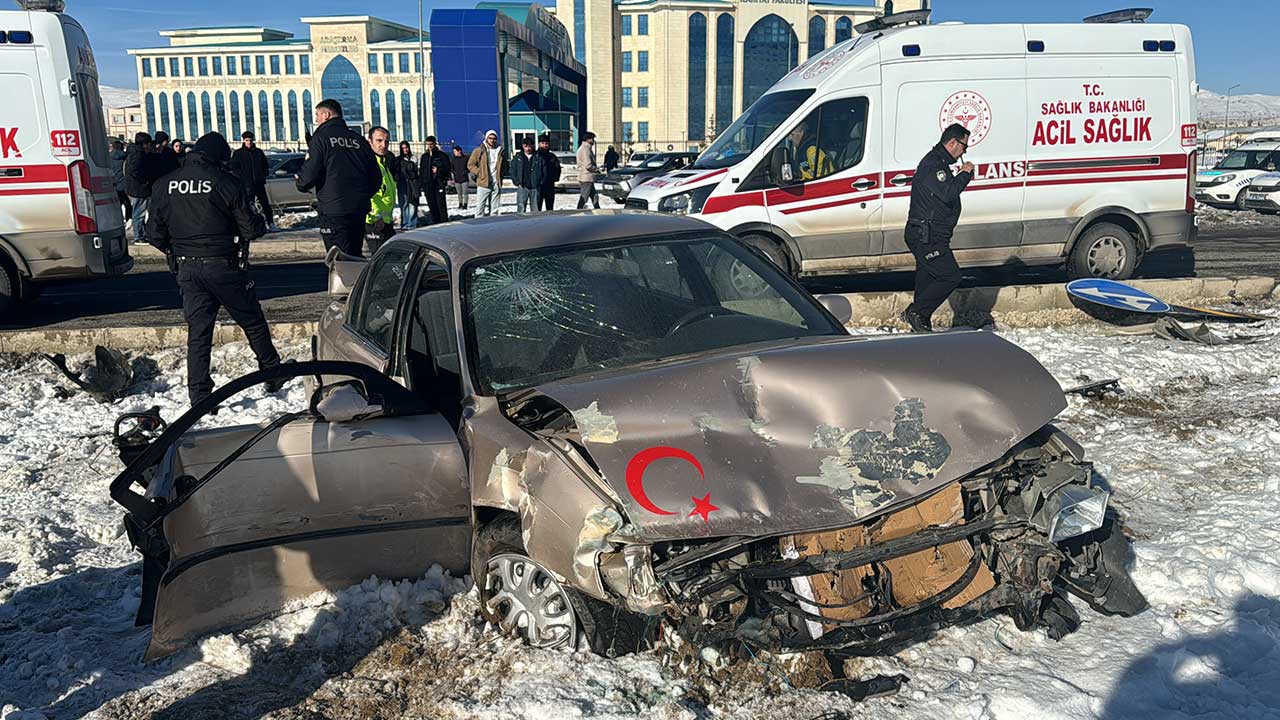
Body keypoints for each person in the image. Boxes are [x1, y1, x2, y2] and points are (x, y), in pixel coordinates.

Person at [145, 132, 281, 407]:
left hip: (187, 267)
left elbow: (153, 233)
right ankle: (272, 372)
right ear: (219, 157)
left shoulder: (164, 185)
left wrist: (175, 250)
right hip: (224, 264)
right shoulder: (225, 182)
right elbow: (251, 228)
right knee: (252, 321)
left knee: (199, 332)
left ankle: (200, 394)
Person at [900, 123, 975, 333]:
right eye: (964, 146)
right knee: (950, 276)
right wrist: (965, 174)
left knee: (928, 278)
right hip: (926, 235)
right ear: (952, 142)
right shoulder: (934, 165)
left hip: (931, 234)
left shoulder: (938, 162)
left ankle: (921, 322)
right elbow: (948, 193)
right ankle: (916, 312)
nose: (964, 151)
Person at [295, 98, 382, 256]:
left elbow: (309, 175)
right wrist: (361, 195)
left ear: (326, 115)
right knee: (354, 253)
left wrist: (300, 181)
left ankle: (346, 281)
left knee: (338, 257)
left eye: (317, 115)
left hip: (333, 209)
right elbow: (376, 177)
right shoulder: (358, 140)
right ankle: (356, 279)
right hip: (358, 208)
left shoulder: (320, 139)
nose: (316, 120)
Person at [230, 131, 273, 230]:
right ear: (243, 141)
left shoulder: (258, 152)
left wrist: (263, 175)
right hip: (246, 185)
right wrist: (241, 178)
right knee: (248, 206)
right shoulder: (238, 154)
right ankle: (250, 226)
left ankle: (271, 223)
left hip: (259, 183)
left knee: (265, 204)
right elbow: (233, 167)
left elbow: (265, 165)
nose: (249, 142)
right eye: (247, 140)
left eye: (250, 140)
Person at [365, 126, 398, 255]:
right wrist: (377, 216)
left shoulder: (383, 163)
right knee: (383, 262)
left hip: (385, 221)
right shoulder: (368, 164)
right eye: (379, 141)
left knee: (390, 258)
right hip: (375, 221)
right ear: (370, 142)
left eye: (386, 141)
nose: (383, 145)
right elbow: (366, 193)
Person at [124, 132, 155, 245]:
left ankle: (141, 235)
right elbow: (135, 171)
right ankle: (139, 236)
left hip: (137, 187)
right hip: (139, 188)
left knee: (139, 212)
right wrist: (145, 180)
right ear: (145, 144)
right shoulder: (138, 154)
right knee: (139, 213)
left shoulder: (134, 152)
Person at [467, 130, 507, 217]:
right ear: (486, 138)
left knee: (495, 209)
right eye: (490, 138)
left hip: (496, 182)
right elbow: (470, 165)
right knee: (480, 207)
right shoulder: (479, 150)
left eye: (494, 138)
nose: (492, 140)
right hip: (483, 182)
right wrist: (480, 173)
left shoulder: (500, 150)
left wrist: (501, 176)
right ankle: (479, 226)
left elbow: (504, 166)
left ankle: (493, 225)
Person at [419, 136, 451, 224]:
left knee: (441, 205)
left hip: (438, 184)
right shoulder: (424, 157)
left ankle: (444, 222)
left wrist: (439, 170)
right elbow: (422, 171)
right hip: (428, 185)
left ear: (435, 144)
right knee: (432, 206)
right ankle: (435, 222)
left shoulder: (442, 156)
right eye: (428, 144)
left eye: (431, 144)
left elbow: (448, 168)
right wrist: (422, 184)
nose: (429, 146)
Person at [509, 137, 545, 213]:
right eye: (526, 146)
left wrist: (540, 182)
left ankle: (535, 224)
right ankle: (520, 224)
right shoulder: (518, 157)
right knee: (521, 209)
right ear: (522, 146)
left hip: (535, 187)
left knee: (535, 210)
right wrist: (516, 181)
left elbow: (544, 171)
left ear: (532, 146)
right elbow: (512, 170)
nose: (528, 149)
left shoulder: (538, 157)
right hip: (522, 186)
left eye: (529, 146)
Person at [395, 141, 421, 229]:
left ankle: (412, 224)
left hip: (412, 184)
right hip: (402, 184)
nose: (405, 150)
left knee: (412, 204)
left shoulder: (413, 158)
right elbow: (398, 172)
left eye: (406, 148)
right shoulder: (398, 160)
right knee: (404, 204)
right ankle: (405, 224)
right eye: (403, 148)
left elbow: (414, 172)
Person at [535, 134, 561, 211]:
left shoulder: (552, 156)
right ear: (539, 144)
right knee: (537, 208)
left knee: (549, 208)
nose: (544, 145)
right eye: (542, 143)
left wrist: (555, 178)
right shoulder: (535, 156)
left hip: (549, 185)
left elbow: (557, 168)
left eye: (546, 143)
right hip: (538, 185)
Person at [576, 132, 601, 209]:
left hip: (588, 177)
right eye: (592, 139)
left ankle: (598, 209)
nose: (593, 141)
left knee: (594, 196)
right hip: (586, 177)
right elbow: (588, 165)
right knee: (584, 197)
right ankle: (578, 211)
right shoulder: (585, 149)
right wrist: (596, 169)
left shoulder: (585, 148)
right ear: (588, 139)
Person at [109, 140, 131, 224]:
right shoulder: (125, 157)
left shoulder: (108, 158)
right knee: (127, 204)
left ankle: (117, 220)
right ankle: (128, 219)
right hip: (123, 183)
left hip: (113, 184)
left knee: (117, 205)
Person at [450, 146, 470, 210]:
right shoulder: (453, 159)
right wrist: (454, 172)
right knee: (459, 193)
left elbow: (469, 167)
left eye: (455, 151)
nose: (454, 153)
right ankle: (460, 203)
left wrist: (465, 172)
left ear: (459, 151)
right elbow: (451, 167)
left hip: (464, 178)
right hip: (457, 179)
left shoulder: (465, 158)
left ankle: (465, 204)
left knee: (465, 193)